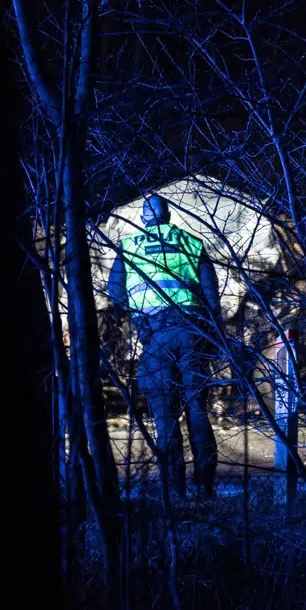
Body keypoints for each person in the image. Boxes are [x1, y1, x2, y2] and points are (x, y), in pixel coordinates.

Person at [106, 195, 222, 497]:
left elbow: (114, 293)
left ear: (143, 218)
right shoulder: (191, 243)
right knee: (197, 407)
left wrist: (134, 318)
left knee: (164, 413)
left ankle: (175, 488)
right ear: (169, 216)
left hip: (156, 335)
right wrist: (215, 337)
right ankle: (206, 484)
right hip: (192, 332)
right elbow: (211, 295)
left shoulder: (129, 247)